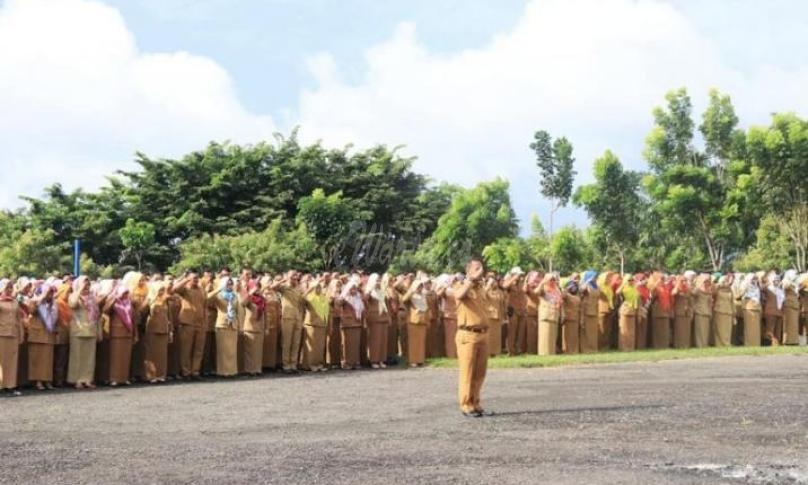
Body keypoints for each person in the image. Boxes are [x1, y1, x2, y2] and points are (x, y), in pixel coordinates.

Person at [454, 259, 490, 417]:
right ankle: (466, 404)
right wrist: (470, 280)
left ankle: (475, 402)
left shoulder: (481, 288)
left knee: (480, 373)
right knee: (467, 372)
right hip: (467, 334)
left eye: (481, 267)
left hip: (482, 333)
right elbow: (459, 295)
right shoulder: (461, 285)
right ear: (468, 271)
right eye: (476, 268)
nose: (480, 270)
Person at [67, 276, 103, 389]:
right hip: (78, 330)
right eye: (84, 284)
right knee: (77, 356)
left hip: (91, 329)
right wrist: (79, 290)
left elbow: (97, 316)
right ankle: (76, 379)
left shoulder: (92, 298)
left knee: (89, 358)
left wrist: (99, 331)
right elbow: (72, 304)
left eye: (88, 285)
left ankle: (87, 379)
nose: (86, 287)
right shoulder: (74, 296)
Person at [172, 272, 207, 379]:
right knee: (186, 349)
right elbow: (175, 289)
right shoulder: (185, 290)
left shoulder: (201, 290)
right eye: (194, 278)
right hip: (187, 322)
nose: (196, 280)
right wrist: (186, 279)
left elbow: (204, 305)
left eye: (197, 278)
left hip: (200, 323)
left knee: (198, 349)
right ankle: (186, 372)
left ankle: (195, 372)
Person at [103, 282, 137, 386]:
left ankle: (124, 378)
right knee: (116, 357)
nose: (125, 295)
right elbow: (105, 310)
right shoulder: (114, 302)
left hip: (128, 332)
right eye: (123, 293)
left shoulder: (129, 303)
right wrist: (114, 298)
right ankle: (114, 378)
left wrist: (135, 333)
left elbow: (133, 318)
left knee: (126, 357)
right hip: (116, 332)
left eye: (126, 293)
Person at [272, 271, 306, 373]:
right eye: (292, 276)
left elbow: (302, 303)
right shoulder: (284, 287)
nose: (294, 278)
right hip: (287, 317)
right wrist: (284, 279)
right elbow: (273, 287)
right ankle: (286, 365)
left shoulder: (299, 288)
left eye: (295, 276)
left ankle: (293, 364)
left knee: (296, 342)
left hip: (298, 317)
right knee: (287, 342)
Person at [28, 281, 58, 390]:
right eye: (48, 293)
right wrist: (42, 298)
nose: (50, 295)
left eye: (51, 293)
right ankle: (38, 381)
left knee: (47, 360)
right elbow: (32, 311)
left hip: (48, 335)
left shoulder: (53, 304)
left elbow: (55, 318)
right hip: (37, 334)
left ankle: (47, 380)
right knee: (37, 359)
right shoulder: (34, 300)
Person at [208, 277, 241, 377]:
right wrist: (219, 289)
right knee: (223, 350)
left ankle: (232, 371)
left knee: (232, 350)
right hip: (222, 324)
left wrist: (239, 325)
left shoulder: (235, 295)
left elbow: (238, 311)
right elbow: (207, 298)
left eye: (231, 283)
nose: (229, 285)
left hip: (233, 324)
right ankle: (223, 371)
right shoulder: (219, 295)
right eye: (227, 283)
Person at [143, 282, 172, 383]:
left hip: (164, 330)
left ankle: (161, 375)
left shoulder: (166, 301)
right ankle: (151, 375)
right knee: (151, 354)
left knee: (162, 355)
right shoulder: (150, 300)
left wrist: (171, 330)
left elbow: (169, 317)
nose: (162, 292)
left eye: (163, 290)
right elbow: (142, 311)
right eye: (160, 290)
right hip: (152, 329)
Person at [0, 278, 25, 396]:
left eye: (11, 287)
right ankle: (1, 385)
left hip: (13, 333)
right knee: (1, 361)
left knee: (12, 361)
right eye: (7, 287)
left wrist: (21, 333)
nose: (9, 290)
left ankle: (10, 385)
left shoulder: (15, 302)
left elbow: (19, 319)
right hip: (1, 333)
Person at [402, 275, 431, 367]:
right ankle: (413, 360)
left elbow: (426, 308)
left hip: (423, 320)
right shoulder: (412, 296)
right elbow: (404, 299)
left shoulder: (423, 296)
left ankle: (420, 359)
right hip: (413, 320)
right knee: (413, 341)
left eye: (421, 286)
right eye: (418, 286)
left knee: (421, 341)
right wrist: (411, 291)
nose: (420, 288)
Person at [301, 278, 329, 372]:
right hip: (311, 324)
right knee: (311, 346)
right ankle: (309, 365)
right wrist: (308, 290)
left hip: (322, 325)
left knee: (320, 347)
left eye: (319, 287)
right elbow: (301, 299)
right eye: (316, 287)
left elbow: (326, 311)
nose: (318, 289)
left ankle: (318, 364)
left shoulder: (323, 298)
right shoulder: (309, 297)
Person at [336, 278, 365, 370]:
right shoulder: (345, 298)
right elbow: (338, 304)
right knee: (346, 344)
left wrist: (361, 291)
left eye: (355, 288)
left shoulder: (358, 298)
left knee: (355, 344)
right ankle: (346, 362)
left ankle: (355, 362)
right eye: (352, 288)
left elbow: (362, 308)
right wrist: (343, 294)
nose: (354, 290)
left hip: (356, 323)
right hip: (347, 324)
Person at [241, 279, 267, 376]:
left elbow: (265, 314)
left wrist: (266, 327)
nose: (257, 289)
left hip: (260, 327)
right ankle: (249, 370)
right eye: (255, 287)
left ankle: (257, 369)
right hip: (250, 327)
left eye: (259, 287)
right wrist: (250, 293)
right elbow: (242, 303)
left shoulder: (262, 299)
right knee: (250, 351)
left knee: (258, 351)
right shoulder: (249, 298)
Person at [363, 273, 390, 369]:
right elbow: (364, 299)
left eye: (379, 280)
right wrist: (370, 289)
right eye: (376, 280)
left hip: (383, 317)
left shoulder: (382, 291)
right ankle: (374, 360)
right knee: (375, 340)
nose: (378, 282)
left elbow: (386, 304)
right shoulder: (369, 290)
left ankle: (381, 359)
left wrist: (389, 317)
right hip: (374, 317)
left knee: (383, 339)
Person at [501, 268, 526, 356]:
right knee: (512, 331)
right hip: (512, 310)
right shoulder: (509, 282)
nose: (520, 276)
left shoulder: (521, 284)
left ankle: (518, 349)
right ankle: (511, 351)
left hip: (521, 310)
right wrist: (513, 278)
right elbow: (504, 286)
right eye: (519, 274)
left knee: (520, 331)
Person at [536, 273, 562, 355]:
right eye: (551, 279)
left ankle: (551, 352)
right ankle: (544, 353)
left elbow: (560, 301)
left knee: (553, 336)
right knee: (545, 335)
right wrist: (542, 283)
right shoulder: (544, 288)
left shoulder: (557, 289)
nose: (552, 281)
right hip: (546, 315)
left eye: (554, 279)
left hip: (554, 314)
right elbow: (536, 292)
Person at [484, 274, 506, 357]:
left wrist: (503, 316)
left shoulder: (499, 292)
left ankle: (496, 352)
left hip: (497, 315)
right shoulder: (485, 290)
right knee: (489, 335)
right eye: (492, 282)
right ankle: (488, 352)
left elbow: (502, 305)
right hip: (488, 315)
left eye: (495, 281)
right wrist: (488, 285)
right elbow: (482, 295)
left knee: (497, 336)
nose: (494, 283)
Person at [712, 274, 735, 347]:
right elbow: (712, 294)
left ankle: (727, 343)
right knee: (720, 328)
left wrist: (733, 312)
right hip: (719, 310)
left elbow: (732, 301)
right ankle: (720, 344)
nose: (726, 282)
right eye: (724, 281)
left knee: (727, 328)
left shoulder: (730, 290)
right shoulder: (717, 288)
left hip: (728, 310)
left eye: (727, 281)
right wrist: (718, 285)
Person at [617, 275, 639, 351]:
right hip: (625, 309)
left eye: (632, 280)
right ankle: (623, 347)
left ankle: (630, 347)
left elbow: (636, 298)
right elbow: (617, 292)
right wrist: (623, 284)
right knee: (624, 329)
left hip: (632, 310)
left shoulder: (634, 288)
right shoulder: (624, 288)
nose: (631, 281)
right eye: (629, 280)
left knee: (631, 330)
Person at [579, 271, 600, 353]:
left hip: (594, 308)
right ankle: (586, 348)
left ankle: (593, 348)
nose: (595, 278)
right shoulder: (586, 284)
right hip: (586, 308)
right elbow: (581, 290)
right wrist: (586, 282)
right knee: (586, 330)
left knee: (593, 331)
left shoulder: (596, 286)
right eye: (594, 277)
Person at [672, 275, 693, 349]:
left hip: (687, 312)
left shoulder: (688, 289)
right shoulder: (677, 289)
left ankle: (685, 344)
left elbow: (690, 301)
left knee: (686, 329)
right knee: (679, 329)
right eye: (682, 281)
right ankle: (678, 344)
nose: (684, 282)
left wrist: (691, 311)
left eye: (685, 281)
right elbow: (673, 293)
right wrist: (677, 285)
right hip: (679, 311)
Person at [692, 274, 713, 348]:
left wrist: (710, 312)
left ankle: (704, 344)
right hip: (699, 311)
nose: (706, 283)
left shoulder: (709, 291)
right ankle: (699, 345)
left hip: (707, 312)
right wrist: (698, 285)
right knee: (699, 329)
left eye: (708, 282)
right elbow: (692, 294)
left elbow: (710, 303)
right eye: (705, 282)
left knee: (705, 330)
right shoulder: (698, 290)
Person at [763, 272, 784, 346]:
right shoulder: (769, 289)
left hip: (779, 312)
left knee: (778, 330)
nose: (777, 282)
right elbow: (762, 288)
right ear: (773, 281)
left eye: (778, 280)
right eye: (775, 280)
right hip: (770, 312)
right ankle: (768, 344)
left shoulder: (780, 290)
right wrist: (768, 282)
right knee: (770, 330)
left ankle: (776, 345)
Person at [741, 274, 762, 346]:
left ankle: (756, 343)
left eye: (756, 279)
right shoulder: (745, 286)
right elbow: (740, 296)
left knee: (756, 329)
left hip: (756, 308)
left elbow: (758, 298)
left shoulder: (757, 288)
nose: (754, 280)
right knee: (749, 328)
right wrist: (744, 289)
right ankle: (748, 343)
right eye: (753, 279)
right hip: (748, 308)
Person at [562, 276, 582, 354]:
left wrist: (578, 284)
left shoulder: (577, 296)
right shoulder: (567, 295)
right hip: (568, 318)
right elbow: (562, 296)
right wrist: (566, 288)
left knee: (574, 335)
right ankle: (567, 350)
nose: (574, 287)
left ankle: (574, 350)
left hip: (576, 317)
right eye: (572, 286)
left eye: (575, 286)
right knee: (568, 335)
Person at [523, 271, 541, 354]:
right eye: (535, 277)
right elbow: (524, 289)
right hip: (531, 313)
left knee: (538, 333)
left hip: (539, 312)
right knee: (531, 333)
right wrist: (526, 280)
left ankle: (537, 350)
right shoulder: (529, 287)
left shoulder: (540, 287)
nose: (536, 279)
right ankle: (531, 350)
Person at [782, 270, 801, 345]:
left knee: (794, 325)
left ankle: (794, 341)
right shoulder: (786, 281)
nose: (795, 276)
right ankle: (787, 341)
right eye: (794, 274)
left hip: (795, 305)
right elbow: (785, 286)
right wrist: (790, 281)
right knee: (789, 324)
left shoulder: (795, 283)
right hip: (789, 304)